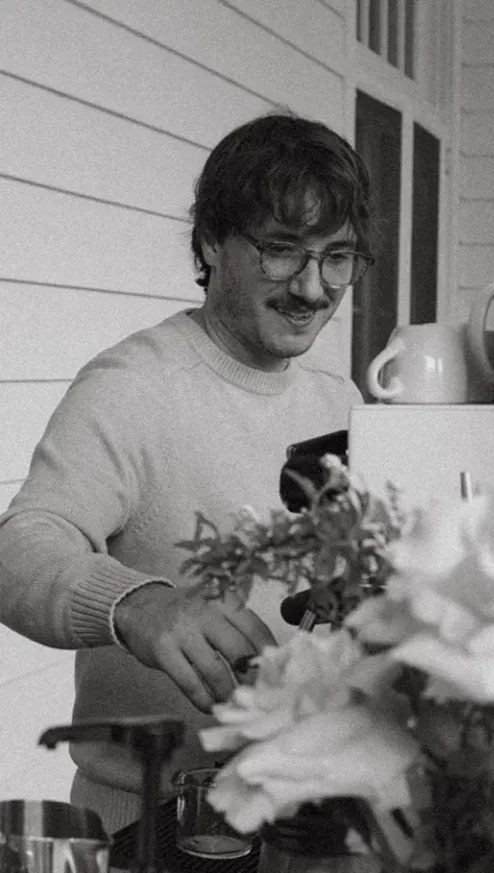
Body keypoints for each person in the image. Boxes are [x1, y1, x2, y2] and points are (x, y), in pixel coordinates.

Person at [0, 112, 374, 833]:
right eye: (280, 251)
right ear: (210, 243)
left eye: (337, 257)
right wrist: (141, 605)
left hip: (305, 820)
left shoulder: (339, 396)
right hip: (151, 830)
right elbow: (20, 546)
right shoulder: (132, 385)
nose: (312, 286)